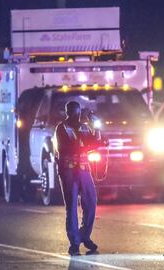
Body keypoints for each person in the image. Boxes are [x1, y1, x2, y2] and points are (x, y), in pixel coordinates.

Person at [54, 101, 105, 256]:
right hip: (68, 171)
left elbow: (92, 142)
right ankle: (74, 244)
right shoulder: (62, 128)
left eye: (78, 112)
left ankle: (84, 236)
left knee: (91, 202)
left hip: (84, 170)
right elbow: (66, 148)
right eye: (74, 112)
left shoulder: (84, 127)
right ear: (68, 112)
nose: (77, 115)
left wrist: (98, 135)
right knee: (71, 207)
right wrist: (91, 146)